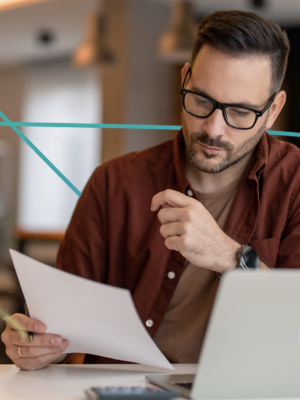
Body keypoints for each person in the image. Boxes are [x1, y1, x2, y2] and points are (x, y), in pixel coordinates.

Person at [2, 10, 297, 371]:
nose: (214, 129)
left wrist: (231, 257)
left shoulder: (295, 184)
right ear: (185, 77)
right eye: (202, 100)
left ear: (273, 110)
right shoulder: (113, 183)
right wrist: (38, 347)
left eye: (239, 112)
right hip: (116, 389)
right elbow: (59, 330)